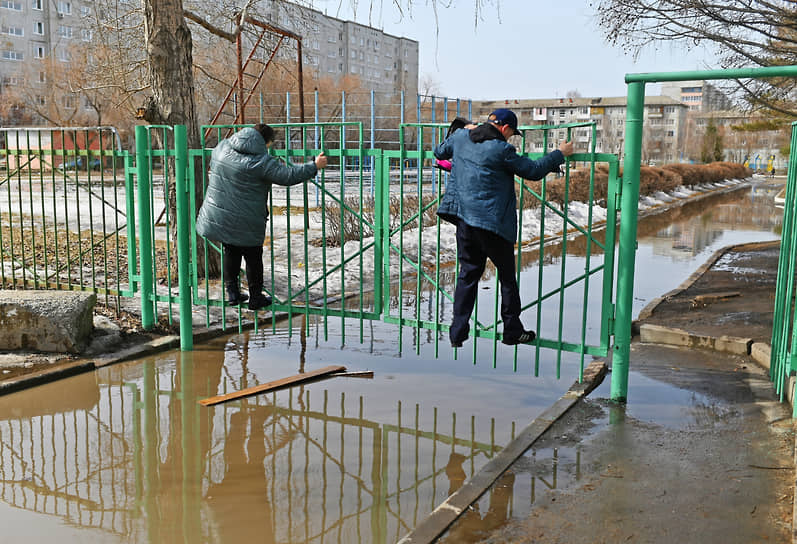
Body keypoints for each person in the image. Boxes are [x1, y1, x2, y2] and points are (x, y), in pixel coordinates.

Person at [434, 108, 574, 347]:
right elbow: (533, 171)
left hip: (465, 222)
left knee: (467, 275)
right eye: (512, 134)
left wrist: (462, 131)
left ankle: (457, 331)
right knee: (507, 279)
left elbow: (439, 152)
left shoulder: (460, 138)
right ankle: (512, 331)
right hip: (493, 226)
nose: (511, 138)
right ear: (505, 128)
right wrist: (559, 153)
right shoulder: (502, 149)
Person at [196, 124, 328, 310]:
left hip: (221, 215)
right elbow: (288, 175)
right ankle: (255, 297)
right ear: (264, 142)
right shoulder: (261, 162)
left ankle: (232, 293)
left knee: (231, 250)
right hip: (247, 219)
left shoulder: (222, 148)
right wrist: (314, 166)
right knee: (253, 256)